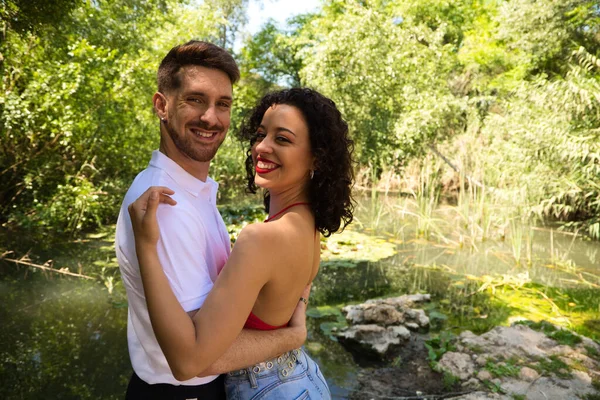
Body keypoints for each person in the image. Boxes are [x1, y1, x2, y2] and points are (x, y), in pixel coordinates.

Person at [128, 87, 355, 399]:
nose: (262, 147)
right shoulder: (309, 225)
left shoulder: (261, 238)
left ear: (317, 157)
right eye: (261, 134)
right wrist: (294, 331)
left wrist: (145, 247)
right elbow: (299, 293)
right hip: (302, 379)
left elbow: (189, 363)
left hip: (267, 389)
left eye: (283, 139)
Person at [115, 41, 309, 400]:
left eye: (223, 104)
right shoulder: (167, 204)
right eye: (195, 99)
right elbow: (195, 357)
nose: (211, 117)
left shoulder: (194, 191)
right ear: (162, 105)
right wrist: (290, 337)